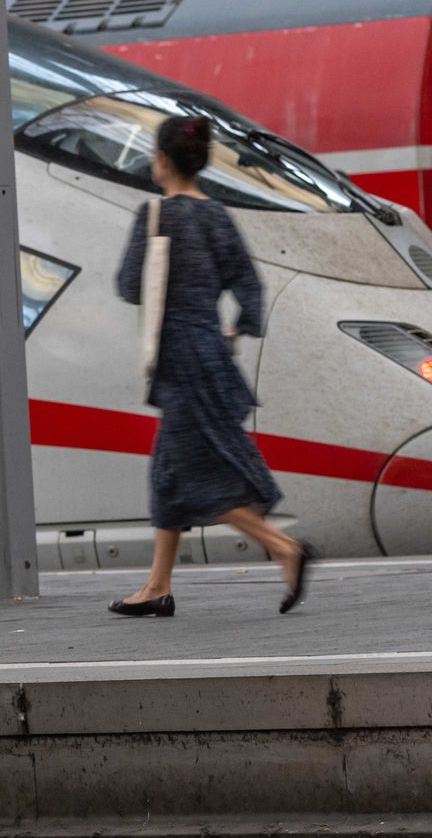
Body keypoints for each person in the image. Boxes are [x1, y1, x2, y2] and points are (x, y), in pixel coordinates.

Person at [110, 114, 316, 617]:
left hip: (178, 362)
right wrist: (236, 328)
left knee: (200, 478)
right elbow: (249, 285)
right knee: (168, 475)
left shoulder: (155, 215)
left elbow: (127, 284)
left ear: (161, 161)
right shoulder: (217, 215)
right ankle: (158, 586)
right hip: (210, 354)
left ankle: (285, 548)